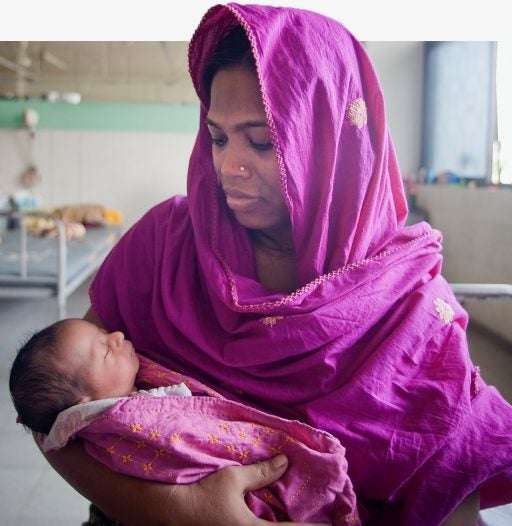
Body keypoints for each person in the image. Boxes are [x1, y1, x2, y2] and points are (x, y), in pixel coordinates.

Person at [40, 3, 512, 526]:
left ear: (334, 143)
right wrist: (175, 509)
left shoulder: (413, 306)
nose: (228, 167)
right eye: (217, 137)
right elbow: (52, 406)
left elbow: (452, 497)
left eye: (263, 141)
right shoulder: (165, 246)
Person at [10, 318, 358, 525]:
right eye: (104, 349)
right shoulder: (120, 424)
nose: (116, 336)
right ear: (83, 409)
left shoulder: (123, 392)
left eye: (104, 334)